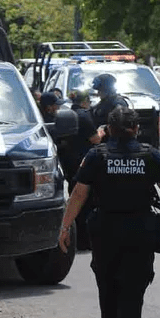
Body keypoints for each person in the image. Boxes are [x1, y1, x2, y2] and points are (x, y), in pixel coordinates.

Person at [57, 106, 160, 318]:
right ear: (136, 129)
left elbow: (78, 194)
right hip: (139, 230)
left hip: (105, 230)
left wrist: (65, 227)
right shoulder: (149, 155)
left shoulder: (96, 156)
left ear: (109, 130)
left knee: (107, 285)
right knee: (133, 289)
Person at [65, 89, 106, 250]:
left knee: (75, 199)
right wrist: (102, 131)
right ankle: (86, 240)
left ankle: (77, 239)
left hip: (70, 163)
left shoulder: (68, 114)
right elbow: (95, 139)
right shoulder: (84, 116)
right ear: (84, 102)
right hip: (84, 162)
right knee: (87, 202)